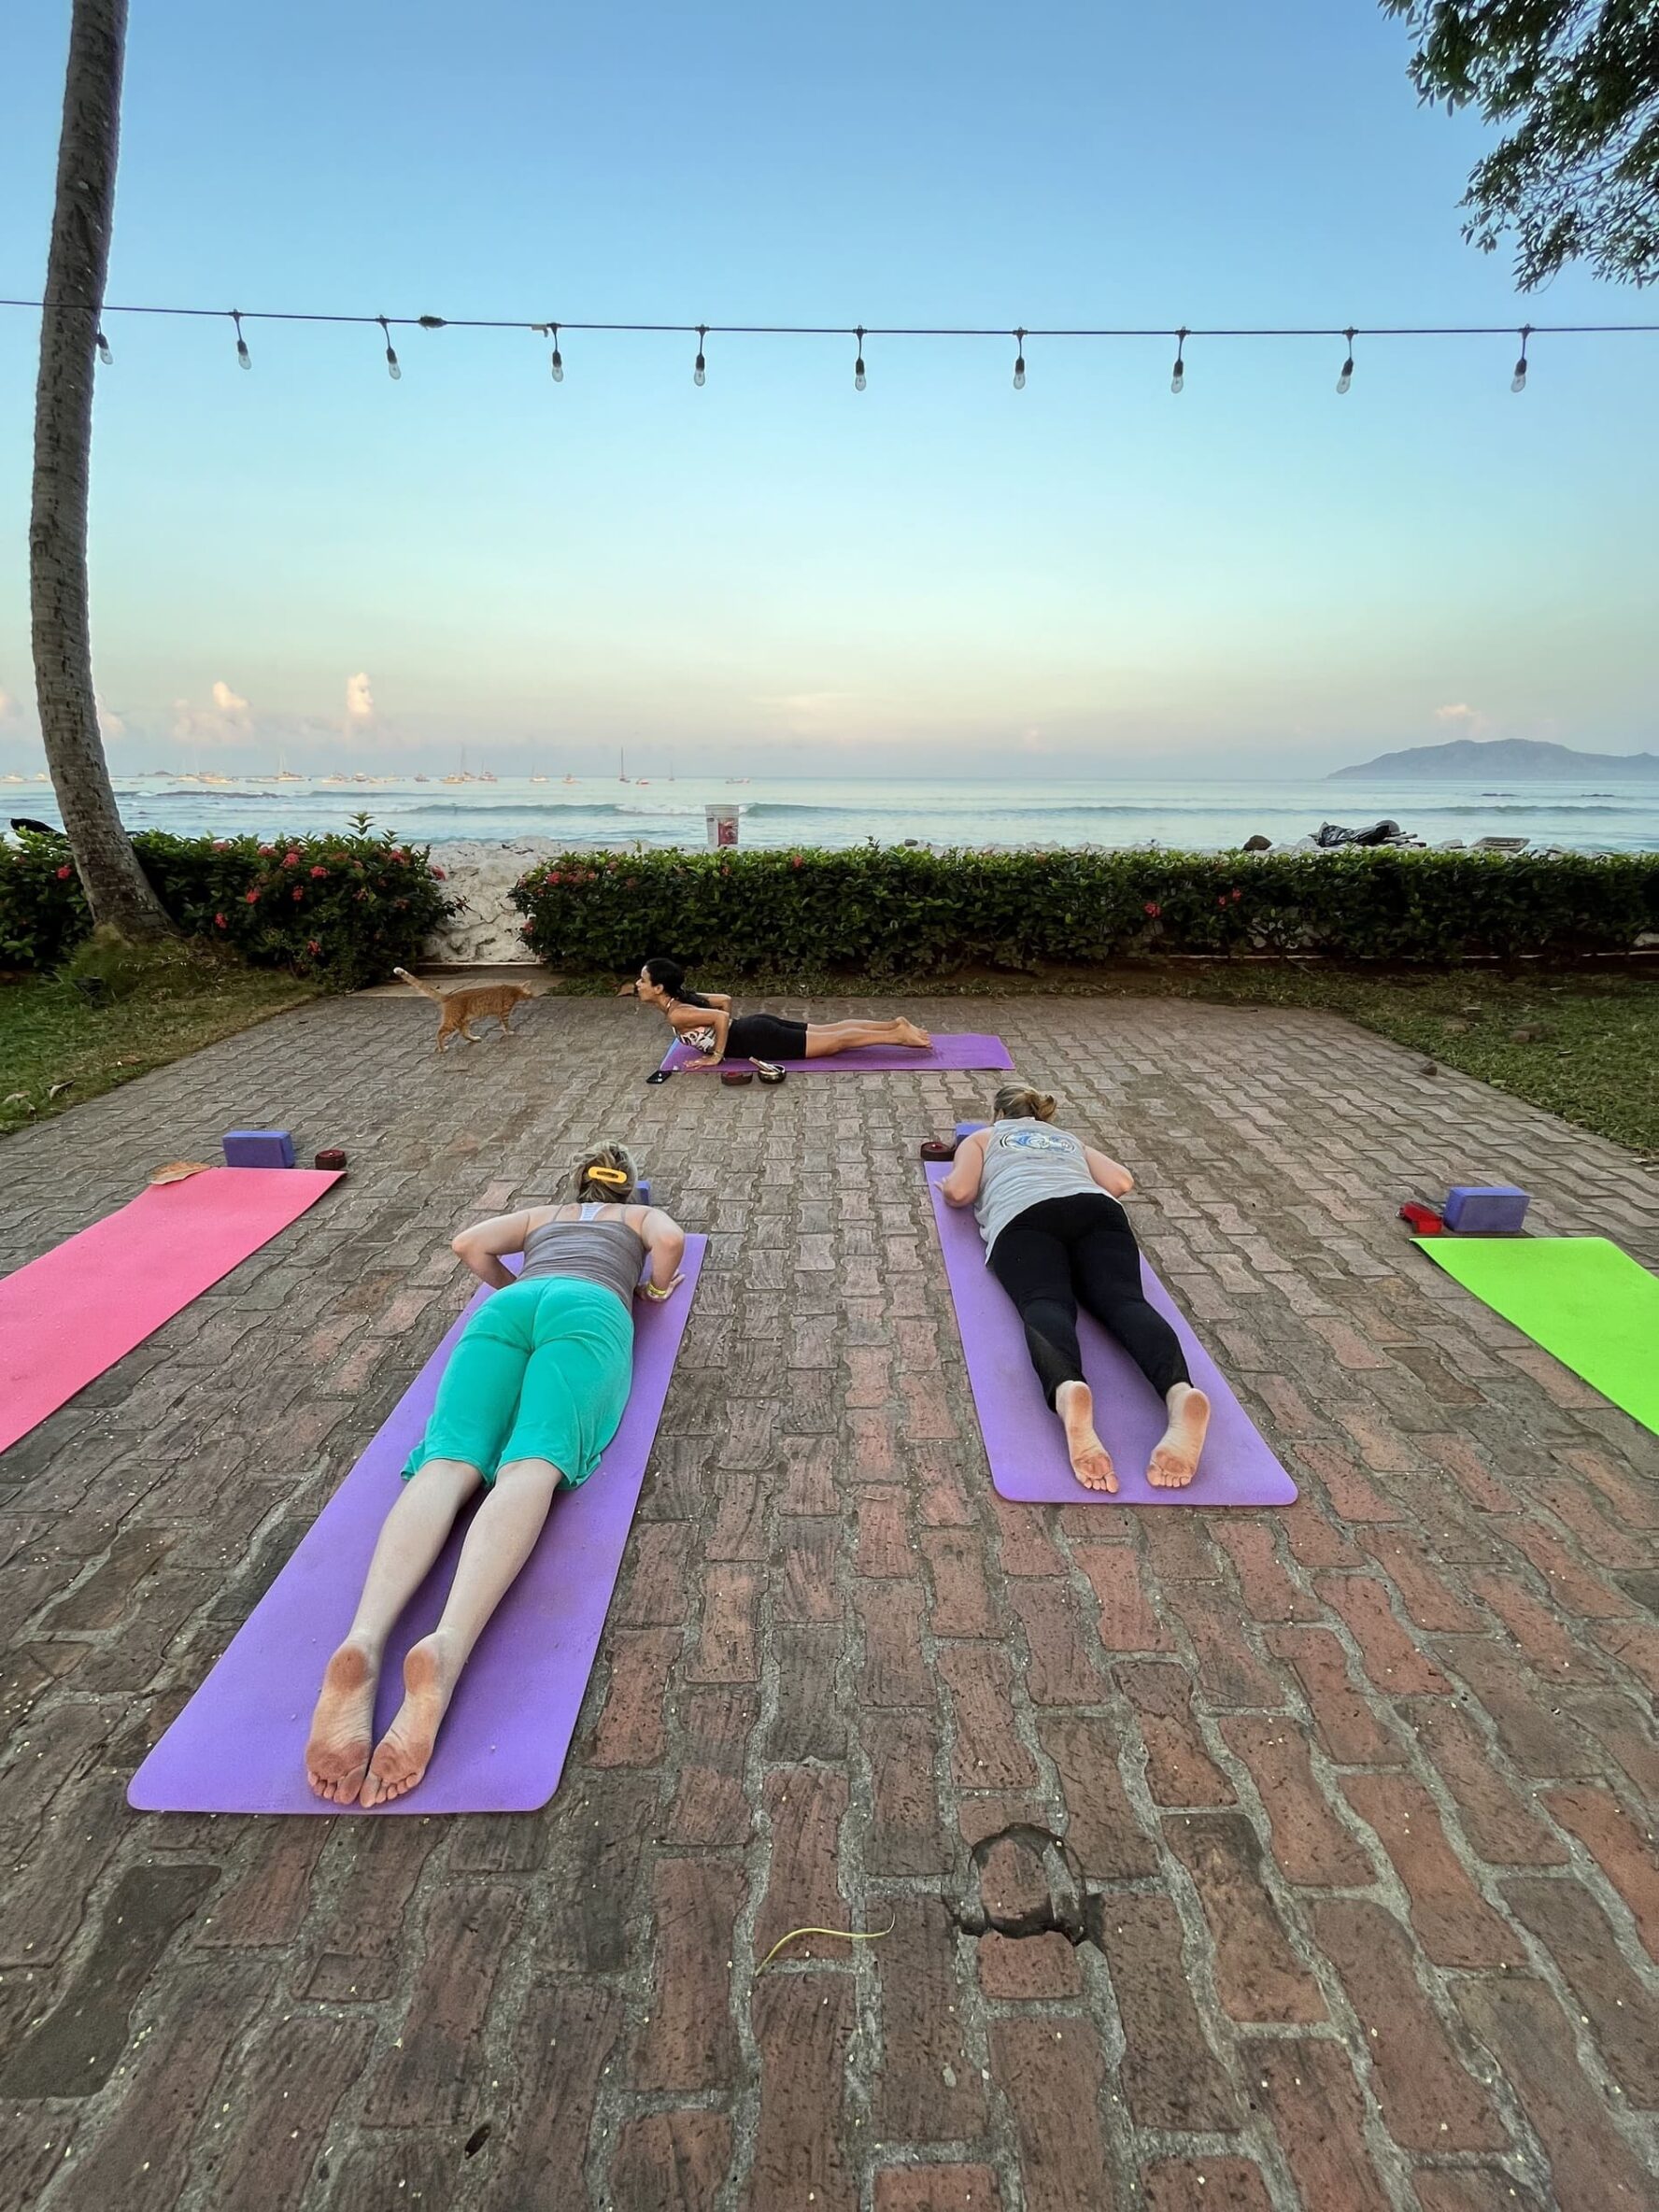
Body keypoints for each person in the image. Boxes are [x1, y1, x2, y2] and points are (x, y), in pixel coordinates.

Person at [305, 1144, 687, 1807]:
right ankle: (447, 1648)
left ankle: (363, 1638)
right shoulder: (636, 1220)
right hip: (590, 1310)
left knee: (447, 1460)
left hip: (509, 1310)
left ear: (574, 1185)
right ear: (628, 1189)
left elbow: (468, 1244)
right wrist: (654, 1288)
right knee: (532, 1463)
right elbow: (672, 1241)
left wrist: (514, 1288)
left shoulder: (542, 1216)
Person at [941, 1083, 1210, 1495]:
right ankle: (1179, 1393)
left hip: (1024, 1216)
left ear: (997, 1114)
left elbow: (961, 1192)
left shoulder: (983, 1138)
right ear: (1041, 1114)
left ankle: (1068, 1388)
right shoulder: (1068, 1138)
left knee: (1045, 1301)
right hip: (1098, 1211)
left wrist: (946, 1183)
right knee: (1125, 1301)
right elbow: (1121, 1182)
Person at [631, 957, 931, 1070]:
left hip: (758, 1039)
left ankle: (899, 1036)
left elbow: (720, 1017)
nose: (637, 985)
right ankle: (893, 1025)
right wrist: (729, 1033)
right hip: (755, 1026)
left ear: (659, 988)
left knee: (836, 1041)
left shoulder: (676, 1014)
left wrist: (717, 1055)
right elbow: (724, 1001)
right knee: (832, 1029)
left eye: (643, 980)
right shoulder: (684, 999)